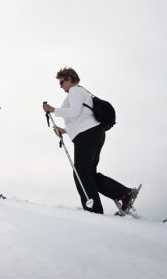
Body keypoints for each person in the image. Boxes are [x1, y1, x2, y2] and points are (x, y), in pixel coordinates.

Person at [42, 67, 137, 214]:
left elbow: (74, 112)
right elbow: (82, 118)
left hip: (88, 135)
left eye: (61, 83)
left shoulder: (75, 91)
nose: (61, 86)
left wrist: (53, 109)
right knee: (88, 173)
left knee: (81, 173)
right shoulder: (80, 93)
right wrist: (65, 131)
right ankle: (123, 194)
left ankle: (94, 210)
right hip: (91, 134)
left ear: (69, 79)